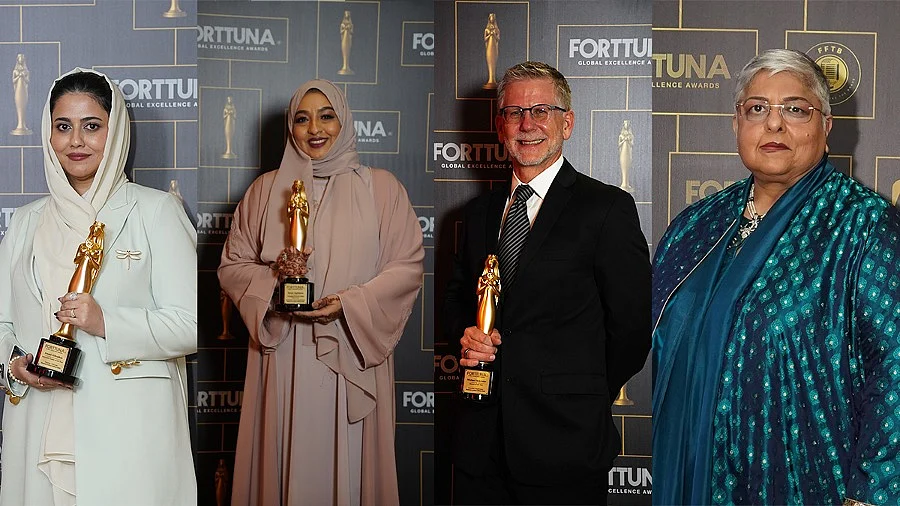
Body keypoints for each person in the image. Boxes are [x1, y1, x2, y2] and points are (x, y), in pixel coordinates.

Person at [652, 49, 900, 505]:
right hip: (691, 472)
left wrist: (871, 493)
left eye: (795, 109)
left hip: (807, 479)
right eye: (757, 108)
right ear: (736, 124)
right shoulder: (694, 225)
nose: (773, 123)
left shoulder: (863, 225)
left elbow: (895, 366)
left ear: (826, 126)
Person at [444, 61, 651, 505]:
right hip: (480, 445)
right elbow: (458, 301)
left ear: (567, 123)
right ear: (499, 126)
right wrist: (468, 336)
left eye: (541, 110)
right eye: (514, 112)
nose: (527, 124)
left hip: (565, 444)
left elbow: (632, 331)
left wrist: (577, 389)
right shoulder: (477, 214)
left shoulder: (607, 208)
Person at [218, 79, 424, 506]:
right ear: (290, 127)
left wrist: (348, 304)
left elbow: (405, 267)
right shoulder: (264, 191)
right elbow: (233, 266)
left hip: (351, 346)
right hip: (283, 352)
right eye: (302, 118)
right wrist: (275, 285)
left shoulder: (383, 188)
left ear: (344, 121)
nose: (315, 128)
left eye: (326, 116)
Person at [0, 68, 196, 505]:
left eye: (92, 126)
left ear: (116, 130)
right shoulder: (27, 222)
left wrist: (106, 322)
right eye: (62, 126)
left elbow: (191, 324)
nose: (76, 141)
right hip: (39, 421)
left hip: (130, 432)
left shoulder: (156, 211)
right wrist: (15, 365)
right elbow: (3, 323)